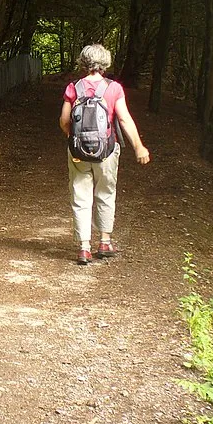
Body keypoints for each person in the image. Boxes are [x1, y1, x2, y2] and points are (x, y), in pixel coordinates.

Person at [60, 44, 150, 265]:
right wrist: (139, 146)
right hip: (106, 152)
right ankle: (104, 242)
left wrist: (75, 139)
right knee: (106, 193)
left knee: (80, 196)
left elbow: (64, 120)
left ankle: (84, 248)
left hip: (78, 153)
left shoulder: (73, 88)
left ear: (83, 62)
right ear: (105, 63)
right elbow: (124, 119)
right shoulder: (114, 88)